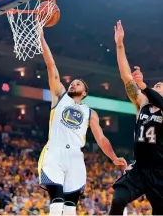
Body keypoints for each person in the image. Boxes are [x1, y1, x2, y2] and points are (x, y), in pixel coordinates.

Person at [38, 31, 127, 216]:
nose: (73, 84)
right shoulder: (59, 96)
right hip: (55, 151)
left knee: (71, 208)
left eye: (78, 84)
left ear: (84, 93)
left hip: (76, 157)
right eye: (72, 83)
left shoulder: (89, 112)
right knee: (56, 203)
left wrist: (113, 157)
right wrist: (42, 39)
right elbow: (50, 65)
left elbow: (101, 138)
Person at [109, 20, 163, 215]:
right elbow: (126, 76)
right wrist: (120, 45)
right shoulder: (142, 104)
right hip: (140, 169)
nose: (156, 86)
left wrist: (144, 86)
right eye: (155, 85)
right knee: (118, 199)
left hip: (160, 171)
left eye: (160, 86)